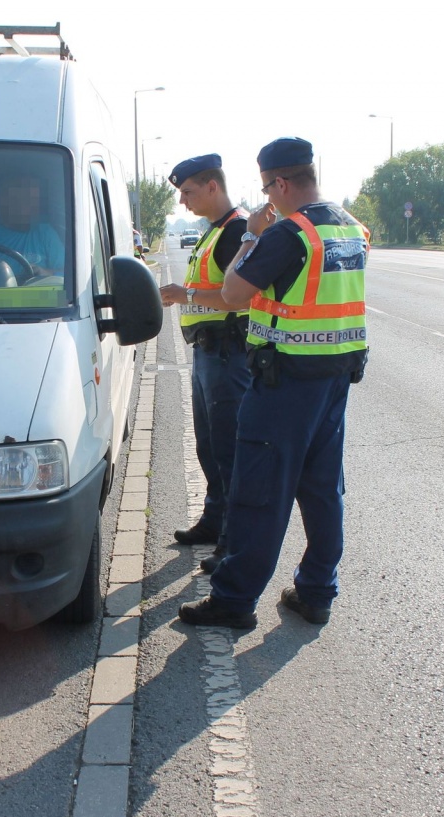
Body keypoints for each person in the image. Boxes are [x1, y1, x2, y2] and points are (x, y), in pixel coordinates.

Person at [177, 137, 369, 628]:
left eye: (267, 189)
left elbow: (233, 292)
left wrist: (251, 237)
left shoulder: (290, 234)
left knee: (258, 492)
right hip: (334, 382)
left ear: (281, 183)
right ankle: (316, 591)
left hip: (284, 384)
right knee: (324, 491)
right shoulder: (350, 228)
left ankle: (234, 602)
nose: (267, 199)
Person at [158, 154, 251, 573]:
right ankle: (215, 522)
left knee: (229, 450)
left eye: (188, 192)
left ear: (212, 186)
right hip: (208, 351)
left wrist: (185, 295)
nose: (183, 202)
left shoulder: (236, 231)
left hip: (228, 353)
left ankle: (233, 542)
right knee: (209, 446)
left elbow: (239, 297)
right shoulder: (215, 231)